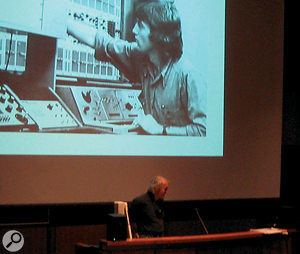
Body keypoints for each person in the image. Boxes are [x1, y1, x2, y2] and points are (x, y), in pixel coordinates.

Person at [67, 1, 206, 136]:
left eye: (140, 25)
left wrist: (161, 130)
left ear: (158, 33)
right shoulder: (141, 57)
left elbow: (203, 130)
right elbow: (103, 43)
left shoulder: (189, 76)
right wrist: (63, 21)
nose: (134, 30)